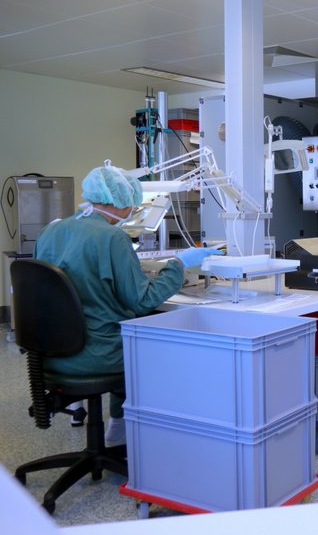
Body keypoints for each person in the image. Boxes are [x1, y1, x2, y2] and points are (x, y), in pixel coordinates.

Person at [34, 163, 220, 445]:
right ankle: (131, 425)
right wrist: (179, 264)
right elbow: (142, 300)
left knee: (121, 329)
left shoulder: (51, 231)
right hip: (96, 354)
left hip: (48, 354)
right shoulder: (112, 238)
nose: (134, 208)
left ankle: (118, 424)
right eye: (132, 203)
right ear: (118, 201)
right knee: (152, 345)